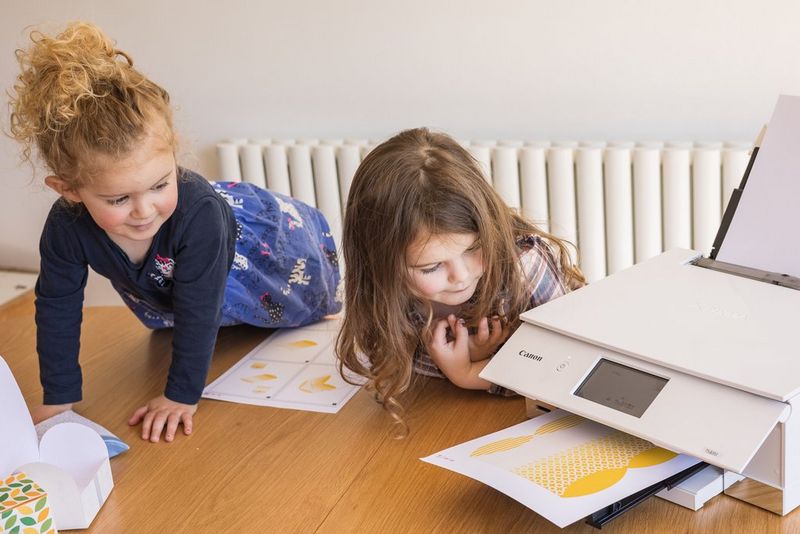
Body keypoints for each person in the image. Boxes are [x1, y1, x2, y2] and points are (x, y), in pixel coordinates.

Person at [8, 22, 341, 443]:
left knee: (301, 319)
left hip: (264, 257)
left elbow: (199, 309)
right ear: (69, 190)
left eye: (161, 184)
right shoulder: (65, 227)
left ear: (174, 152)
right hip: (186, 285)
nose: (145, 212)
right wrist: (58, 400)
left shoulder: (198, 212)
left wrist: (181, 396)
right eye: (118, 200)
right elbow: (57, 307)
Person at [336, 128, 584, 430]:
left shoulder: (525, 265)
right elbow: (394, 356)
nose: (461, 275)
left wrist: (469, 373)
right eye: (431, 268)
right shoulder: (388, 292)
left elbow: (568, 376)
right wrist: (469, 357)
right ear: (382, 267)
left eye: (474, 248)